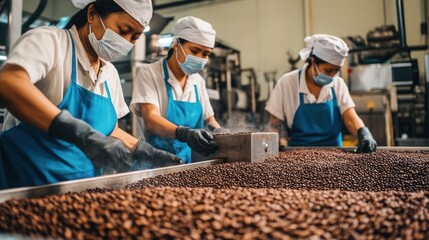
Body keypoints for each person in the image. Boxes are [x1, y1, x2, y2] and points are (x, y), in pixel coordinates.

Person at [0, 0, 183, 189]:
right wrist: (80, 133)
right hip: (28, 183)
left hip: (85, 188)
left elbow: (109, 130)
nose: (126, 41)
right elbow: (10, 82)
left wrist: (143, 149)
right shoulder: (50, 42)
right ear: (92, 14)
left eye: (134, 37)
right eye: (122, 30)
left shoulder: (110, 73)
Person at [130, 16, 229, 164]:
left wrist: (222, 134)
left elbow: (209, 120)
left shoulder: (198, 81)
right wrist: (184, 133)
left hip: (191, 163)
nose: (200, 58)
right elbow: (151, 119)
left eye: (206, 54)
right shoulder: (150, 73)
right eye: (194, 50)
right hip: (156, 162)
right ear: (176, 44)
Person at [265, 34, 377, 153]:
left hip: (335, 154)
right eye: (328, 70)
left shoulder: (338, 84)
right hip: (297, 154)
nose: (332, 75)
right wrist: (275, 143)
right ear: (313, 62)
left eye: (336, 70)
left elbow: (350, 119)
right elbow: (275, 122)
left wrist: (364, 133)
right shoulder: (287, 83)